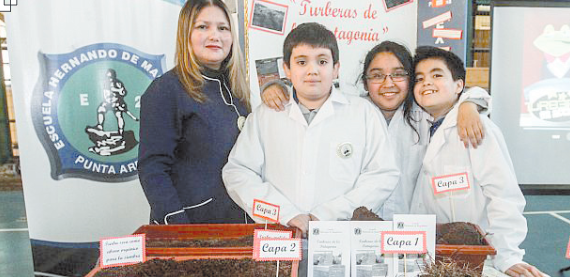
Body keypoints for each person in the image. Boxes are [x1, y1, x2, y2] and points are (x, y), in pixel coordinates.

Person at [262, 40, 490, 219]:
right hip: (354, 228)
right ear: (365, 82)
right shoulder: (351, 114)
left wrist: (469, 104)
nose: (388, 84)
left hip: (408, 232)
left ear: (410, 80)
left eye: (399, 74)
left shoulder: (424, 116)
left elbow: (457, 96)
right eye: (377, 75)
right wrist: (273, 86)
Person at [222, 23, 399, 233]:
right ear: (286, 69)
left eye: (322, 61)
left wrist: (327, 215)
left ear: (336, 69)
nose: (312, 70)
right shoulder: (265, 115)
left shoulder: (364, 113)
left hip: (342, 235)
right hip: (279, 235)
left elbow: (382, 175)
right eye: (301, 62)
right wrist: (285, 214)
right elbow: (238, 172)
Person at [409, 46, 545, 277]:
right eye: (419, 79)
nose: (426, 83)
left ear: (459, 86)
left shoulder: (476, 128)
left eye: (437, 75)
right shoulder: (418, 124)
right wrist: (469, 103)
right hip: (432, 252)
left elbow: (503, 195)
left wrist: (507, 255)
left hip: (474, 256)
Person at [138, 0, 250, 224]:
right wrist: (179, 228)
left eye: (222, 28)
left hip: (238, 225)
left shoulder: (238, 92)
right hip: (191, 230)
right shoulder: (166, 89)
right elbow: (153, 169)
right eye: (202, 27)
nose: (214, 35)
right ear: (186, 34)